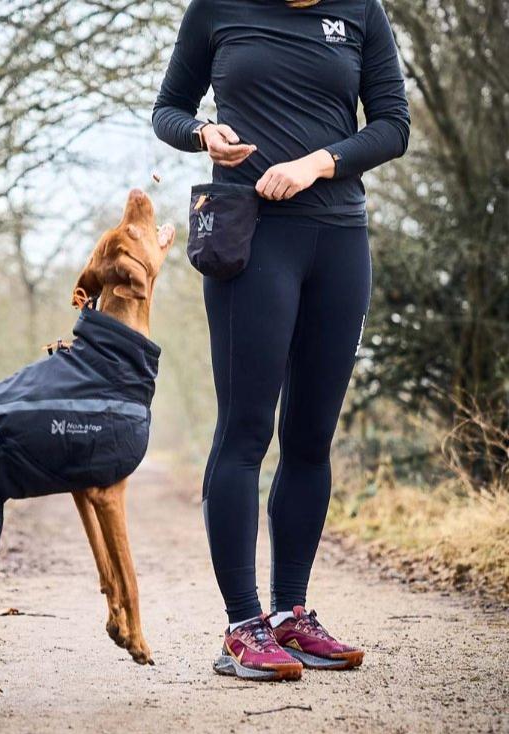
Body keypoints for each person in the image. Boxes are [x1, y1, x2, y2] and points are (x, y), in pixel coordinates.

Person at [152, 0, 410, 680]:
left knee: (310, 438)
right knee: (244, 431)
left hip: (341, 240)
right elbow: (167, 110)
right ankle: (243, 625)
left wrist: (319, 163)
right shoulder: (217, 9)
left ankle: (291, 615)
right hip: (251, 235)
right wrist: (203, 134)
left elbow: (393, 125)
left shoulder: (361, 11)